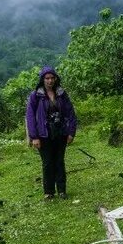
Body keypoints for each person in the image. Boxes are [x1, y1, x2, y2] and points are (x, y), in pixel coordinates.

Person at [25, 66, 77, 199]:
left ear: (55, 79)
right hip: (44, 135)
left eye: (52, 78)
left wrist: (71, 132)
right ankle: (49, 192)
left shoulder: (61, 94)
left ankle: (61, 190)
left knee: (59, 161)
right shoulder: (36, 96)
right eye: (47, 78)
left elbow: (70, 113)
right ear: (42, 80)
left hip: (60, 133)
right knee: (47, 163)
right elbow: (30, 117)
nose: (50, 81)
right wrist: (34, 137)